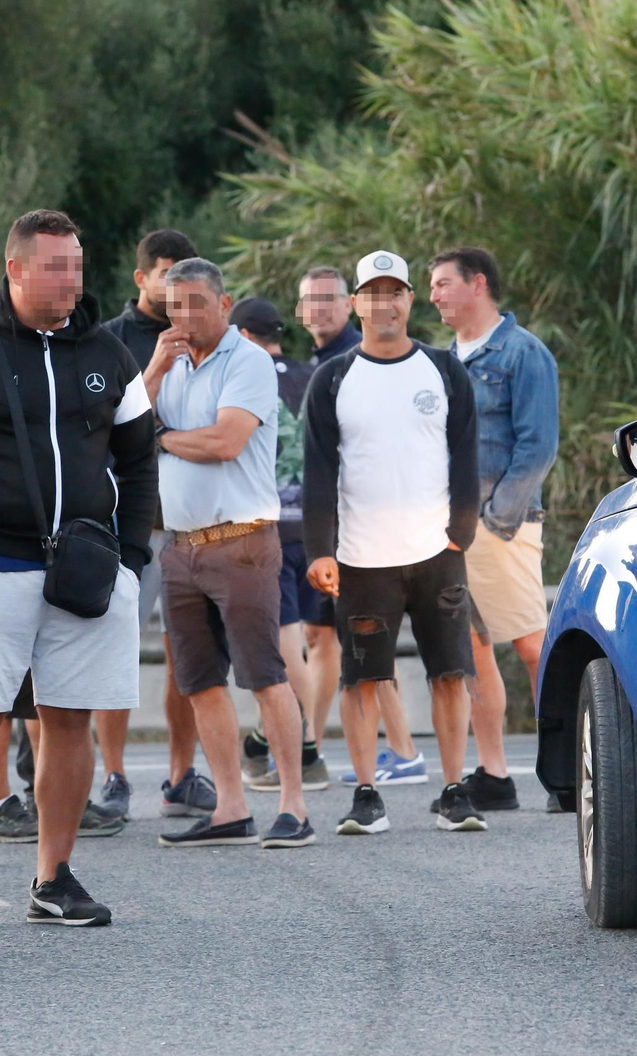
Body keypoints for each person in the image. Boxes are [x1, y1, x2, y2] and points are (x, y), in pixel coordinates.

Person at [0, 209, 156, 931]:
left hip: (88, 568)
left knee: (70, 720)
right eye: (55, 267)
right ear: (15, 269)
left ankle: (54, 877)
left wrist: (132, 560)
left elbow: (140, 461)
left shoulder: (110, 353)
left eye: (76, 265)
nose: (71, 280)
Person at [303, 250, 485, 835]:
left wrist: (461, 533)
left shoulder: (444, 369)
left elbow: (466, 455)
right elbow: (318, 471)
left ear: (410, 299)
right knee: (362, 677)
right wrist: (320, 549)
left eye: (395, 291)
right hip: (360, 558)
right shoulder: (333, 378)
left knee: (451, 672)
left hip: (437, 555)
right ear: (357, 303)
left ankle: (453, 791)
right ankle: (365, 795)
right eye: (373, 293)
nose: (385, 303)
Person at [149, 258, 313, 849]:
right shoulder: (170, 364)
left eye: (196, 302)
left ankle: (293, 805)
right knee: (199, 683)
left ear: (224, 304)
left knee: (264, 675)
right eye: (175, 305)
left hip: (242, 542)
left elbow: (225, 441)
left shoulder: (249, 361)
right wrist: (154, 369)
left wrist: (162, 438)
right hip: (180, 547)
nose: (184, 315)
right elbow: (125, 426)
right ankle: (230, 807)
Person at [426, 247, 559, 814]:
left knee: (532, 644)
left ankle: (567, 771)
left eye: (442, 283)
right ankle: (494, 773)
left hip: (499, 523)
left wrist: (495, 520)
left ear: (477, 284)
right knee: (472, 647)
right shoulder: (439, 360)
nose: (432, 294)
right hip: (446, 526)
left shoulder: (524, 352)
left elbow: (538, 446)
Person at [293, 267, 424, 787]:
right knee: (326, 636)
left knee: (364, 637)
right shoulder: (322, 366)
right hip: (337, 526)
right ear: (299, 311)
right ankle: (313, 743)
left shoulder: (363, 360)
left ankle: (401, 749)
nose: (320, 309)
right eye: (310, 301)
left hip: (369, 528)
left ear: (348, 305)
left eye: (329, 299)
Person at [104, 228, 208, 822]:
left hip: (195, 526)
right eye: (166, 275)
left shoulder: (209, 337)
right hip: (132, 525)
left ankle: (181, 775)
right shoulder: (111, 340)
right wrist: (159, 366)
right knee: (115, 651)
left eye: (185, 275)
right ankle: (114, 777)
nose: (175, 288)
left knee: (187, 655)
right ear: (142, 277)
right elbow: (110, 426)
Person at [228, 297, 332, 792]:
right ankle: (265, 741)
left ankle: (307, 753)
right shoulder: (314, 375)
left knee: (288, 648)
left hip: (269, 528)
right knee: (302, 645)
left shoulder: (246, 376)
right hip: (318, 528)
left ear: (244, 337)